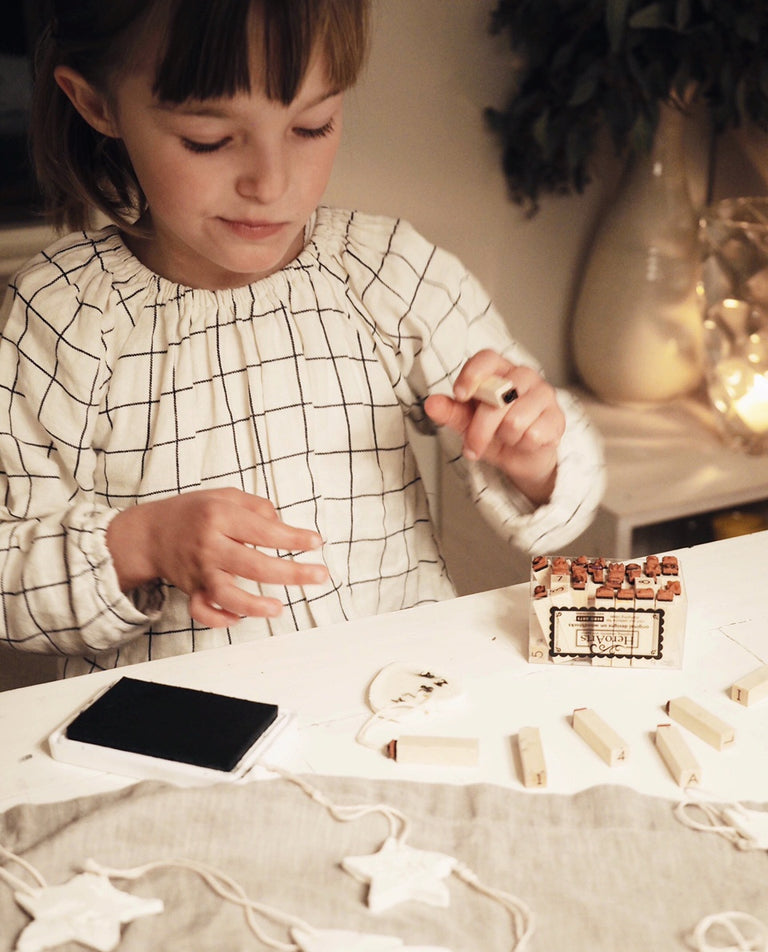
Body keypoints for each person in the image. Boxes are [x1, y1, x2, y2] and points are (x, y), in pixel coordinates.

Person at [0, 0, 604, 677]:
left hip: (394, 704)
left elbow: (568, 494)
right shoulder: (61, 315)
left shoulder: (389, 271)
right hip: (179, 741)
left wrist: (533, 452)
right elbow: (9, 578)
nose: (272, 183)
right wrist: (141, 544)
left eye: (312, 126)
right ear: (97, 103)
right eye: (208, 139)